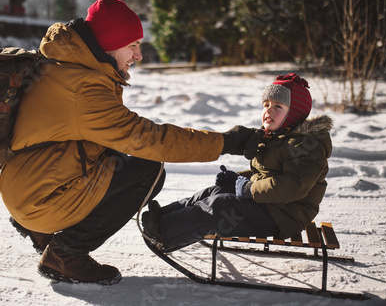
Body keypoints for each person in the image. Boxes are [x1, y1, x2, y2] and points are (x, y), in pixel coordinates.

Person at [0, 0, 261, 285]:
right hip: (38, 197)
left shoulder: (67, 65)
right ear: (109, 44)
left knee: (122, 157)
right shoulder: (84, 86)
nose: (139, 56)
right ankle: (66, 255)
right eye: (133, 46)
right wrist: (226, 142)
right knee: (148, 171)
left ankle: (42, 232)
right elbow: (149, 139)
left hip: (26, 186)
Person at [142, 73, 333, 253]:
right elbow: (266, 174)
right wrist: (238, 179)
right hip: (271, 204)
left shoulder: (306, 146)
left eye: (278, 107)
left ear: (295, 114)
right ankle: (165, 216)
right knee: (216, 191)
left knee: (221, 206)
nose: (269, 111)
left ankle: (164, 234)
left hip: (284, 216)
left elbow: (292, 187)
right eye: (266, 104)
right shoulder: (278, 137)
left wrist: (249, 189)